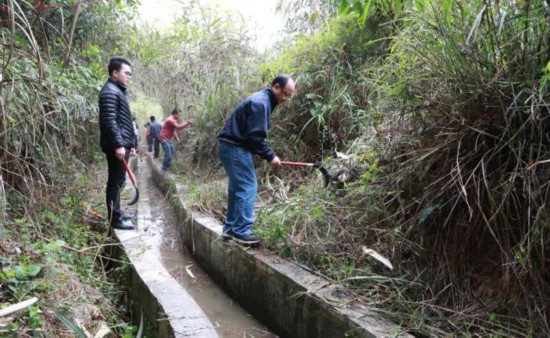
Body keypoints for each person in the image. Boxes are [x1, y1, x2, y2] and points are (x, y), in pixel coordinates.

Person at [217, 75, 296, 245]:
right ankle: (242, 231)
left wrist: (267, 155)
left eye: (289, 96)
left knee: (236, 187)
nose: (286, 99)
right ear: (276, 87)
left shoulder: (263, 100)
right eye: (285, 94)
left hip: (229, 145)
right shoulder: (261, 103)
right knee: (248, 186)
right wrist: (271, 156)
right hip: (234, 147)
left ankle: (231, 229)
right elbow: (255, 137)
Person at [99, 57, 136, 230]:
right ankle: (114, 218)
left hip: (121, 144)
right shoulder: (110, 92)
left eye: (130, 74)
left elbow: (122, 122)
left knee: (119, 180)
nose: (129, 77)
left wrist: (131, 143)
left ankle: (118, 212)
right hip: (117, 146)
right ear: (115, 73)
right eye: (126, 73)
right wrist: (119, 145)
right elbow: (109, 121)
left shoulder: (117, 91)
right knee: (115, 181)